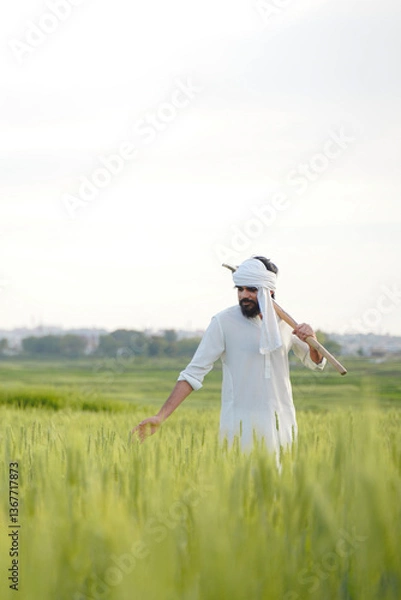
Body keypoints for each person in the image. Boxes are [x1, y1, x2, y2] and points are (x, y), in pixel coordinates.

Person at [132, 256, 326, 453]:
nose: (244, 295)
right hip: (239, 430)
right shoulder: (223, 322)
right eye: (240, 289)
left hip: (282, 426)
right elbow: (193, 374)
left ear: (270, 290)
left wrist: (312, 341)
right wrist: (160, 416)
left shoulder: (287, 325)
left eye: (251, 289)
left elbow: (316, 363)